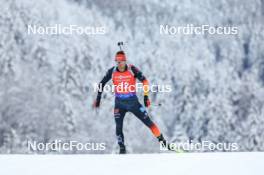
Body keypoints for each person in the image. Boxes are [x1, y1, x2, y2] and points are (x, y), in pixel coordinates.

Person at [93, 50, 170, 154]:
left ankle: (163, 142)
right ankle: (122, 149)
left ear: (125, 61)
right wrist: (98, 99)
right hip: (119, 104)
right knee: (118, 127)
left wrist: (146, 97)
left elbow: (145, 81)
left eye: (121, 61)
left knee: (148, 122)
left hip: (133, 103)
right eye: (117, 62)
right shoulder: (112, 71)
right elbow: (101, 84)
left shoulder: (132, 69)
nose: (119, 64)